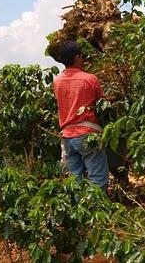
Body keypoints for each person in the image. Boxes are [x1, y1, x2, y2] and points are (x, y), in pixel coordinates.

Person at [53, 40, 109, 190]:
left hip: (67, 137)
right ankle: (97, 210)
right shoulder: (89, 78)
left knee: (75, 181)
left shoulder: (57, 81)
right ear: (77, 57)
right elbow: (102, 103)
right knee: (97, 178)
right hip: (87, 134)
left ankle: (79, 212)